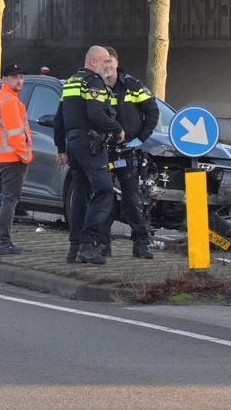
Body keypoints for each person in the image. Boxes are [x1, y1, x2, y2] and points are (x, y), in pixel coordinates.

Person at [53, 45, 124, 265]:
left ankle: (74, 248)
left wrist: (61, 148)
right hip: (90, 143)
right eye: (104, 62)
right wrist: (117, 128)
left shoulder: (71, 81)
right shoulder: (93, 81)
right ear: (93, 62)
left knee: (80, 193)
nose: (107, 67)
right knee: (104, 191)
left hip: (74, 144)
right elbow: (95, 113)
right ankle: (88, 243)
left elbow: (59, 119)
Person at [100, 48, 159, 259]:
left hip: (127, 153)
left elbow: (152, 111)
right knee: (102, 198)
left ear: (116, 62)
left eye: (109, 61)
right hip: (102, 152)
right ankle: (102, 244)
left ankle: (141, 243)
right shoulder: (94, 87)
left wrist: (140, 139)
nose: (106, 66)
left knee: (131, 200)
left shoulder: (132, 86)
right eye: (102, 62)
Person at [0, 62, 33, 255]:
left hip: (1, 158)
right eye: (15, 77)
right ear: (5, 80)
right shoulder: (10, 101)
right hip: (12, 158)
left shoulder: (2, 98)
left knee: (2, 199)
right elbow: (15, 135)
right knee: (9, 200)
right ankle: (3, 242)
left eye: (21, 77)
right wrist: (26, 155)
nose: (19, 80)